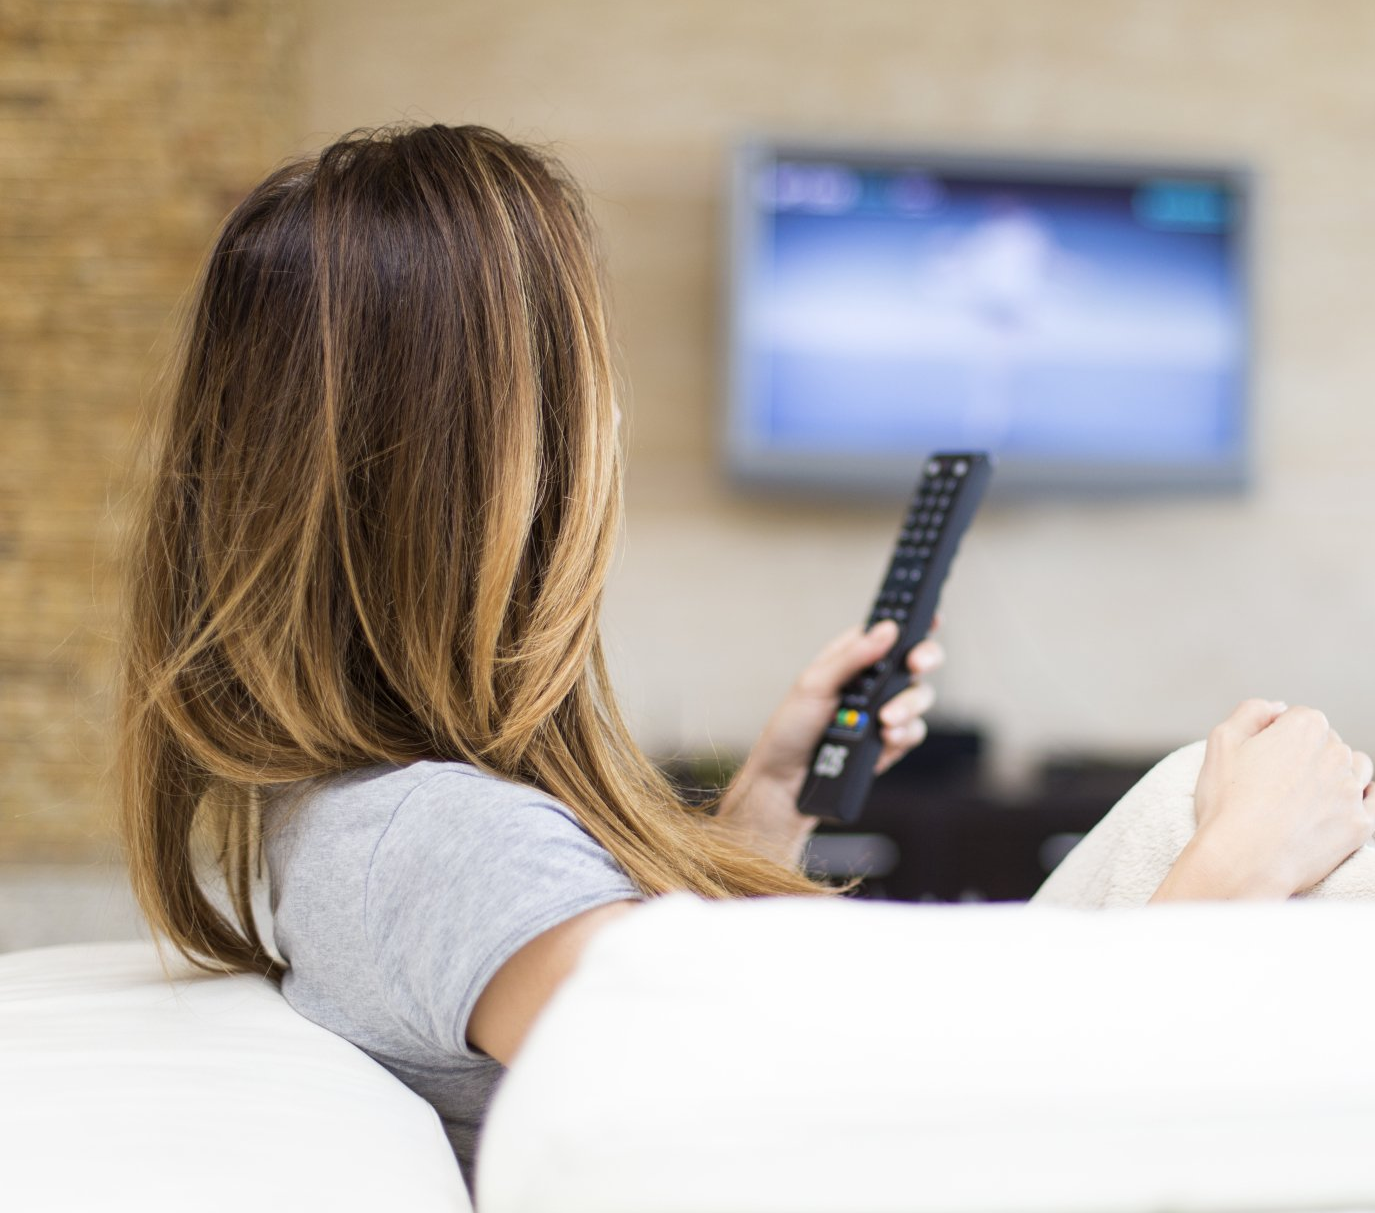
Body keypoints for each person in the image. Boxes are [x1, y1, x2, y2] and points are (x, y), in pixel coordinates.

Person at [118, 123, 1375, 1191]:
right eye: (583, 378)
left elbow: (674, 1036)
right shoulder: (438, 842)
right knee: (1277, 817)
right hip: (997, 1134)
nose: (611, 419)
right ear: (495, 458)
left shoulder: (363, 816)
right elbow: (818, 1151)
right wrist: (1222, 881)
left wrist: (768, 802)